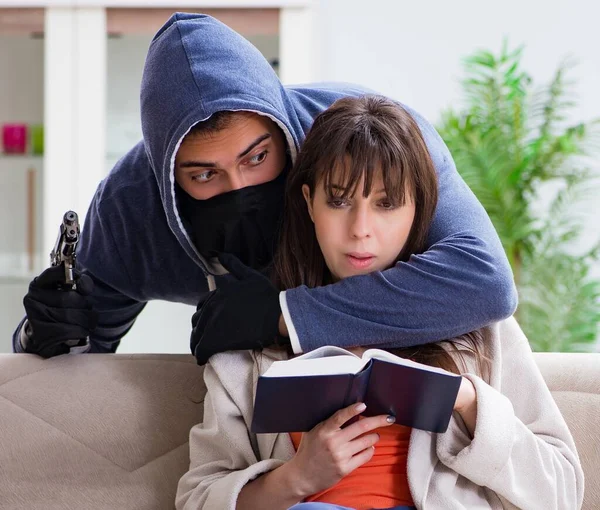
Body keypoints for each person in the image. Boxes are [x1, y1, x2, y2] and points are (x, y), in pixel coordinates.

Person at [14, 13, 516, 360]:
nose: (240, 186)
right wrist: (43, 332)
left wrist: (284, 315)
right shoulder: (131, 208)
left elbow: (486, 282)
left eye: (257, 157)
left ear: (281, 126)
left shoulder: (367, 140)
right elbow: (79, 358)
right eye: (205, 174)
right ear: (165, 177)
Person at [175, 96, 583, 510]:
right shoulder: (247, 351)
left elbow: (561, 492)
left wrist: (468, 401)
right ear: (308, 203)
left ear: (417, 210)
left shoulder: (481, 326)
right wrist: (296, 479)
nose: (360, 230)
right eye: (338, 200)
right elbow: (198, 500)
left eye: (386, 204)